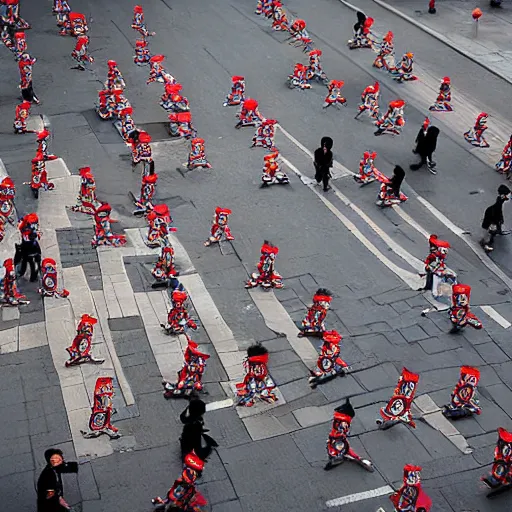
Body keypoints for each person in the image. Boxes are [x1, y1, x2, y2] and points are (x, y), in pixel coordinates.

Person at [36, 448, 78, 512]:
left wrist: (78, 464)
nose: (62, 459)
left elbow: (66, 467)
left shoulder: (55, 467)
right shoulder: (47, 476)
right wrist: (59, 498)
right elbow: (49, 493)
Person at [480, 185, 511, 252]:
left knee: (493, 229)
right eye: (507, 194)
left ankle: (491, 237)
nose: (509, 196)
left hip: (493, 215)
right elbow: (497, 212)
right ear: (503, 195)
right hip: (492, 217)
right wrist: (497, 220)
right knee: (490, 231)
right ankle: (485, 244)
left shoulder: (501, 200)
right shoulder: (499, 202)